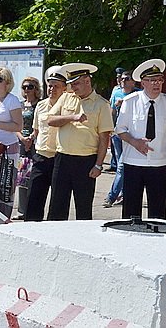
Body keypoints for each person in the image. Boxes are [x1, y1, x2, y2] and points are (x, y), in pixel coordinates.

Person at [47, 63, 113, 221]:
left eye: (76, 83)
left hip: (86, 162)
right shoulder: (66, 97)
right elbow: (50, 120)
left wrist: (98, 165)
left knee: (83, 207)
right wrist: (72, 117)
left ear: (87, 81)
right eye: (71, 84)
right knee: (57, 205)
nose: (73, 87)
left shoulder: (101, 104)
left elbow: (104, 137)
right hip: (63, 158)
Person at [116, 59, 166, 219]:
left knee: (158, 212)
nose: (157, 84)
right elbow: (120, 130)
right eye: (152, 80)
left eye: (160, 80)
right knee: (131, 211)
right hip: (133, 163)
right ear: (142, 82)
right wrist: (135, 142)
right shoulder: (130, 102)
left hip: (160, 163)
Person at [24, 67, 67, 221]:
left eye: (56, 86)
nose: (52, 89)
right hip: (41, 157)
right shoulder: (41, 105)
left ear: (64, 88)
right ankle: (29, 229)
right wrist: (30, 138)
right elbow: (36, 130)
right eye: (50, 85)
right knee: (33, 199)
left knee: (57, 202)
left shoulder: (68, 106)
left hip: (59, 158)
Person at [0, 67, 23, 217]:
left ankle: (2, 218)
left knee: (4, 186)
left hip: (7, 148)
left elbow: (18, 126)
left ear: (7, 82)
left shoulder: (12, 100)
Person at [103, 70, 139, 208]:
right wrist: (109, 130)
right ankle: (123, 194)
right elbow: (111, 112)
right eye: (122, 79)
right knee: (120, 165)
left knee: (122, 166)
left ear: (133, 82)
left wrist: (125, 103)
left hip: (131, 135)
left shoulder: (137, 94)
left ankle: (111, 197)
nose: (123, 81)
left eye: (127, 79)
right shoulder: (116, 92)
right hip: (117, 135)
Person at [13, 76, 42, 220]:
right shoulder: (20, 105)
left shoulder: (40, 105)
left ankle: (31, 209)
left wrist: (31, 137)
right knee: (22, 176)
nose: (27, 90)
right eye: (24, 87)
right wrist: (22, 138)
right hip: (21, 142)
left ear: (36, 89)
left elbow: (40, 125)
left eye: (30, 87)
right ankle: (21, 210)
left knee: (33, 176)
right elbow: (16, 125)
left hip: (35, 142)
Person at [107, 67, 126, 172]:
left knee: (122, 161)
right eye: (118, 78)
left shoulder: (135, 92)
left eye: (121, 78)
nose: (119, 80)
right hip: (116, 124)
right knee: (115, 150)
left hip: (126, 127)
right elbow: (112, 109)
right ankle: (113, 164)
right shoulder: (116, 90)